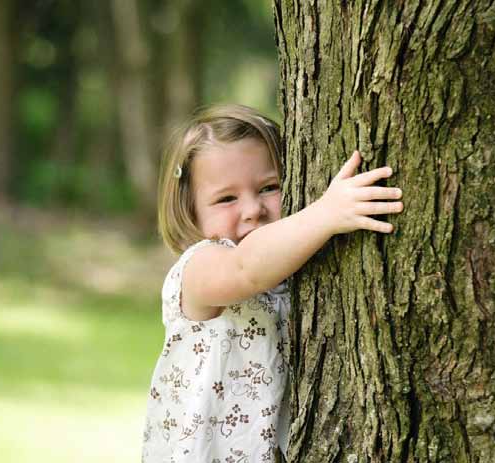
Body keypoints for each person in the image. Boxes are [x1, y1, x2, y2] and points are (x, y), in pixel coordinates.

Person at [141, 104, 403, 462]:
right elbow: (246, 269)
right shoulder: (200, 268)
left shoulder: (289, 268)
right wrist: (325, 214)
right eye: (226, 198)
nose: (252, 209)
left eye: (269, 187)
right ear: (190, 211)